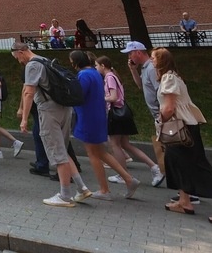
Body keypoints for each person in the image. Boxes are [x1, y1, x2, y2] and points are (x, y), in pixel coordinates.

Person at [154, 47, 212, 226]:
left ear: (162, 61)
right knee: (177, 164)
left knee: (199, 167)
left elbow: (169, 107)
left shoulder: (168, 78)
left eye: (154, 58)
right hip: (186, 126)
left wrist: (159, 122)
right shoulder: (175, 76)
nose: (152, 61)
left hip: (180, 129)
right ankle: (184, 201)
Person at [11, 40, 82, 207]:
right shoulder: (45, 59)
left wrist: (24, 119)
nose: (19, 61)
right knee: (63, 149)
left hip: (49, 111)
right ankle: (82, 187)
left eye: (17, 58)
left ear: (20, 52)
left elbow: (29, 93)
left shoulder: (32, 65)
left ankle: (65, 195)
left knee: (57, 153)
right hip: (64, 107)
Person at [69, 49, 140, 200]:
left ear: (76, 62)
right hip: (97, 115)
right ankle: (128, 179)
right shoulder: (95, 73)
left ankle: (104, 190)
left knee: (93, 154)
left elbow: (78, 96)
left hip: (88, 117)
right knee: (101, 152)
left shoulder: (83, 75)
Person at [96, 55, 163, 187]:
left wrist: (101, 98)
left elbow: (114, 97)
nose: (95, 68)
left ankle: (123, 174)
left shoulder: (109, 77)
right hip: (123, 114)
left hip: (115, 115)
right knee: (126, 144)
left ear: (103, 66)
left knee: (115, 145)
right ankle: (154, 167)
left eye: (96, 65)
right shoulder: (114, 76)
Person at [123, 40, 166, 183]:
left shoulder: (152, 68)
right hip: (158, 115)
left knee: (169, 148)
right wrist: (133, 70)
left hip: (162, 115)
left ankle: (165, 173)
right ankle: (166, 173)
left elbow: (160, 91)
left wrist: (161, 113)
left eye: (130, 53)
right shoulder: (144, 68)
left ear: (138, 52)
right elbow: (141, 86)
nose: (129, 57)